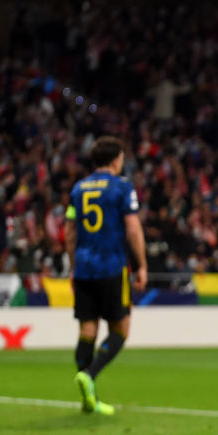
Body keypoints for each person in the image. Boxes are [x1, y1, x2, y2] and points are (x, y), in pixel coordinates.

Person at [65, 136, 148, 415]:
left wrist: (73, 265)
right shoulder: (122, 187)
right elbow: (133, 228)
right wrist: (142, 265)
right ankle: (90, 375)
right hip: (111, 266)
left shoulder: (78, 189)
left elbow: (70, 231)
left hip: (84, 267)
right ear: (116, 160)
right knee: (120, 330)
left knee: (87, 329)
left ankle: (89, 397)